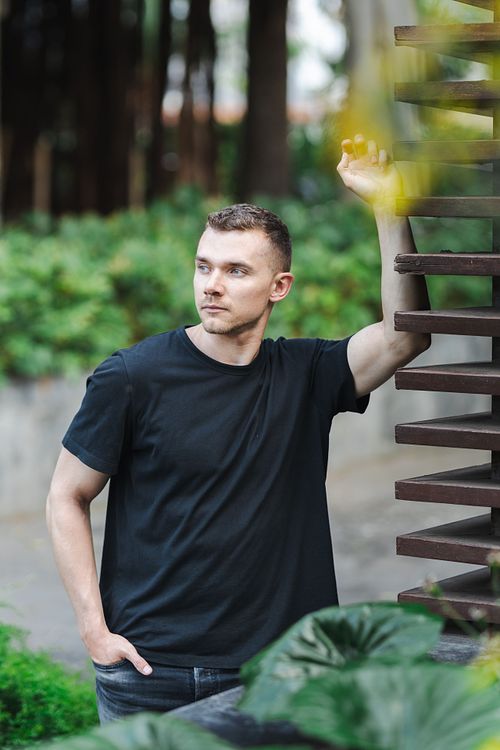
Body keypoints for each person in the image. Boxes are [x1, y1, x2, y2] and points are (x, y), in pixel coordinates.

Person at [46, 134, 430, 723]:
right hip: (150, 674)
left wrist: (389, 208)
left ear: (280, 287)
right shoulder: (131, 376)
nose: (212, 284)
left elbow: (406, 334)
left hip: (283, 672)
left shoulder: (307, 374)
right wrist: (94, 631)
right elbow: (65, 496)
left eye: (236, 270)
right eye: (204, 266)